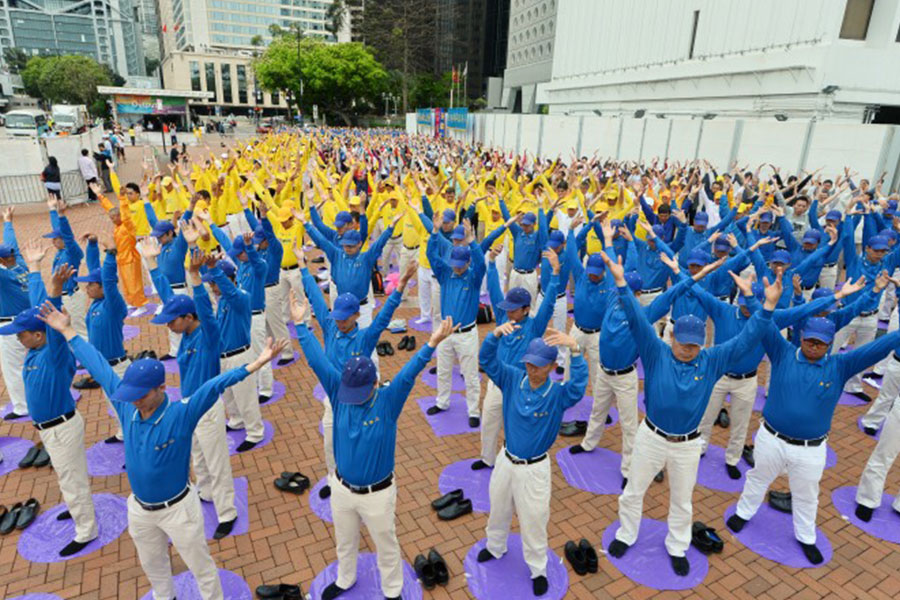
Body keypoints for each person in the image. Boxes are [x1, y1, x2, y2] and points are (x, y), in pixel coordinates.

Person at [37, 299, 286, 600]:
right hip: (140, 511)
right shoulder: (126, 405)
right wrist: (68, 331)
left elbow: (217, 384)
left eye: (141, 395)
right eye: (132, 395)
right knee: (154, 567)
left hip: (179, 511)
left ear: (160, 389)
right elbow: (99, 366)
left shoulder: (182, 412)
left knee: (201, 568)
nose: (135, 401)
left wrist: (257, 364)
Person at [603, 250, 777, 577]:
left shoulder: (711, 360)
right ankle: (627, 533)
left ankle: (678, 545)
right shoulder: (655, 352)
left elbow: (748, 338)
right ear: (670, 337)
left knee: (682, 499)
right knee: (633, 490)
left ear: (702, 342)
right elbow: (638, 319)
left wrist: (765, 307)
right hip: (651, 436)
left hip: (686, 445)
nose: (688, 348)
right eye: (683, 342)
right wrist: (622, 283)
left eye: (694, 344)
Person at [294, 301, 455, 600]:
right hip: (341, 489)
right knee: (344, 540)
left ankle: (392, 589)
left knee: (386, 543)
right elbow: (317, 361)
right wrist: (301, 325)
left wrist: (432, 343)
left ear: (375, 383)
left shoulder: (388, 400)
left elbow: (409, 372)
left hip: (377, 495)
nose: (351, 399)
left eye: (358, 394)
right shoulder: (339, 392)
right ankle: (345, 578)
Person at [727, 315, 900, 565]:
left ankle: (806, 536)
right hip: (771, 439)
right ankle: (743, 512)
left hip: (810, 449)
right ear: (801, 337)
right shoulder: (783, 352)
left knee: (807, 494)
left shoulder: (841, 365)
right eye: (810, 340)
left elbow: (880, 347)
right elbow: (763, 323)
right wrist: (756, 299)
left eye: (821, 343)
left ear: (830, 343)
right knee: (758, 478)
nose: (814, 346)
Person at [569, 252, 718, 486]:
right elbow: (613, 272)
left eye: (628, 290)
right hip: (604, 371)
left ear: (637, 294)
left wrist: (698, 276)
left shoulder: (645, 314)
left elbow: (672, 292)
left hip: (625, 377)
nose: (623, 292)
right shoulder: (611, 299)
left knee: (629, 424)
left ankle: (628, 469)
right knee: (597, 409)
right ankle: (589, 443)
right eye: (622, 289)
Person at [296, 245, 414, 500]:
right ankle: (334, 476)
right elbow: (317, 298)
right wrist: (303, 267)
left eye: (344, 317)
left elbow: (383, 318)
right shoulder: (330, 327)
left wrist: (401, 285)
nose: (339, 321)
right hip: (336, 398)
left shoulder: (365, 337)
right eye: (337, 316)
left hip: (362, 399)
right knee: (331, 443)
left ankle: (361, 478)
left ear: (356, 315)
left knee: (360, 444)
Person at [0, 246, 97, 557]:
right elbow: (36, 307)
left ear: (40, 335)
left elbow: (52, 322)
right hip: (49, 428)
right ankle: (77, 508)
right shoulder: (34, 351)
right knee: (66, 474)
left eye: (22, 334)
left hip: (62, 427)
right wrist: (32, 269)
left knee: (72, 477)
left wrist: (54, 292)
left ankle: (86, 529)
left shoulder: (54, 353)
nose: (18, 338)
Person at [477, 327, 587, 596]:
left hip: (535, 468)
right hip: (506, 459)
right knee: (498, 507)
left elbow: (578, 386)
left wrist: (575, 350)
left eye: (538, 365)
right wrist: (494, 337)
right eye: (528, 362)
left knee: (534, 519)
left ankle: (537, 568)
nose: (531, 369)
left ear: (551, 366)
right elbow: (487, 361)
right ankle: (495, 546)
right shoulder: (513, 378)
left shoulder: (558, 394)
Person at [141, 239, 239, 539]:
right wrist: (154, 265)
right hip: (187, 405)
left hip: (207, 406)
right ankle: (206, 492)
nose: (169, 326)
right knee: (197, 454)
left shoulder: (207, 335)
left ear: (188, 317)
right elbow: (170, 296)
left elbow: (205, 312)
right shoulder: (185, 332)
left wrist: (196, 278)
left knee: (216, 459)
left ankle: (227, 512)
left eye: (172, 321)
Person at [472, 247, 560, 471]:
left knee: (516, 426)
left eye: (514, 310)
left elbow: (549, 303)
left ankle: (512, 458)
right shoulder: (503, 317)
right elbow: (494, 291)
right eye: (508, 309)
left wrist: (556, 274)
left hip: (520, 386)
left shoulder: (535, 326)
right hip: (497, 382)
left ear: (526, 309)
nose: (509, 312)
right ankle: (487, 458)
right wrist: (491, 263)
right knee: (490, 421)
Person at [425, 223, 486, 424]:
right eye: (454, 263)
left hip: (467, 334)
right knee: (443, 370)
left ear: (468, 262)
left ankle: (474, 411)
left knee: (470, 374)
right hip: (445, 332)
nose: (457, 267)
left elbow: (482, 264)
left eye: (461, 263)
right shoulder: (446, 274)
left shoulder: (474, 277)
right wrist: (434, 233)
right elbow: (431, 255)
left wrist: (472, 241)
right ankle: (442, 402)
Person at [70, 233, 129, 441]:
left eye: (90, 285)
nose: (86, 288)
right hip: (104, 365)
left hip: (117, 366)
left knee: (124, 405)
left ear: (102, 286)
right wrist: (93, 245)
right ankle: (123, 434)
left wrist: (111, 254)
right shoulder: (95, 304)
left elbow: (109, 281)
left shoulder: (113, 305)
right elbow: (95, 267)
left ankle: (132, 438)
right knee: (112, 403)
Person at [0, 206, 30, 420]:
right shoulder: (20, 264)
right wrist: (7, 222)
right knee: (32, 361)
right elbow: (13, 245)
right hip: (28, 320)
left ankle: (22, 407)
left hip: (10, 327)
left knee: (13, 368)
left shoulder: (3, 277)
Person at [44, 197, 87, 339]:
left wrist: (62, 216)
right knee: (66, 331)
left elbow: (67, 235)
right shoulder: (60, 252)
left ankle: (90, 358)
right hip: (63, 297)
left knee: (79, 331)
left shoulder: (72, 252)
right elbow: (58, 228)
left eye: (55, 239)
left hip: (71, 297)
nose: (53, 241)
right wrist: (52, 210)